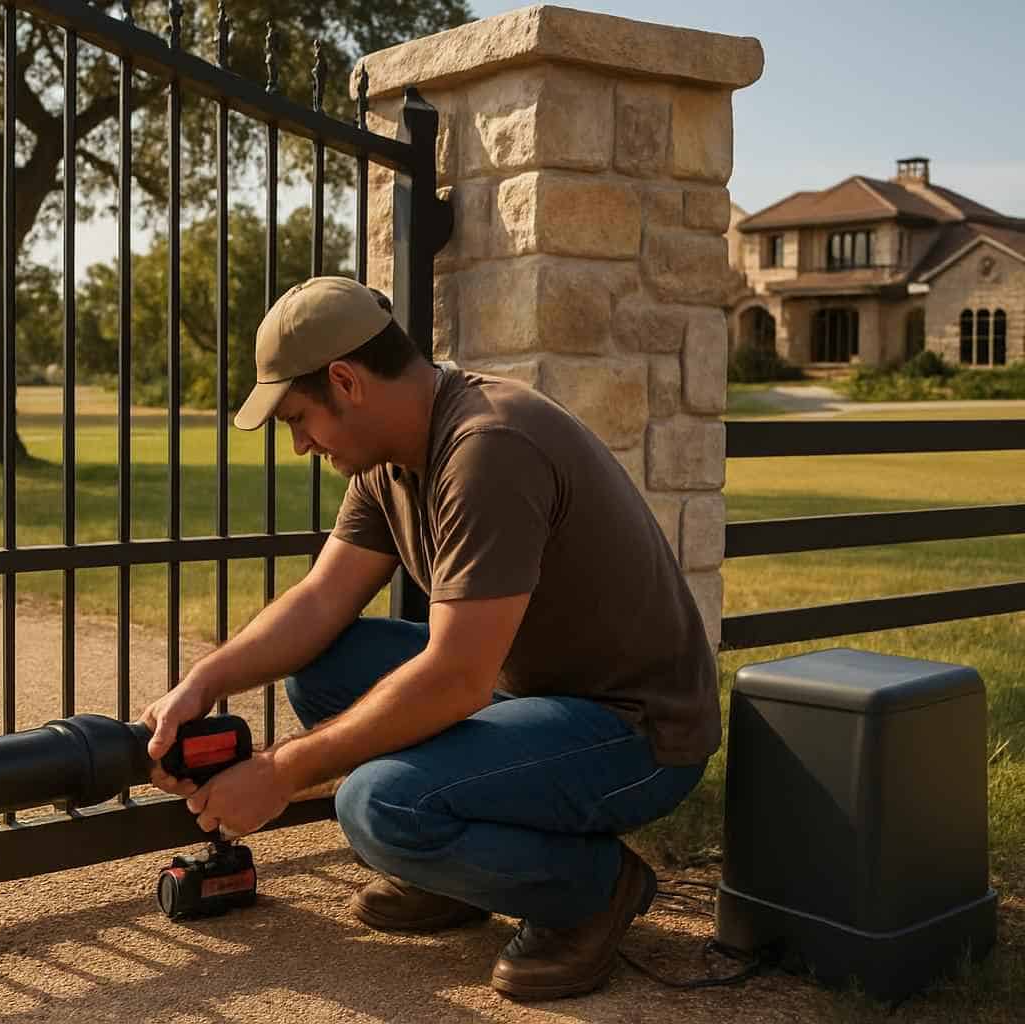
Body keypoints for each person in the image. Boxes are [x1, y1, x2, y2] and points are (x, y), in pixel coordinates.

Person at [139, 275, 720, 1001]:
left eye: (297, 418)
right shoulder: (390, 461)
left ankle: (594, 891)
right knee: (323, 669)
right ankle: (453, 878)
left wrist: (282, 771)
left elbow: (455, 678)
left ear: (345, 381)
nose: (298, 445)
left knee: (379, 804)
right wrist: (207, 679)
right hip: (530, 694)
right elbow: (321, 600)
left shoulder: (488, 447)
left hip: (636, 732)